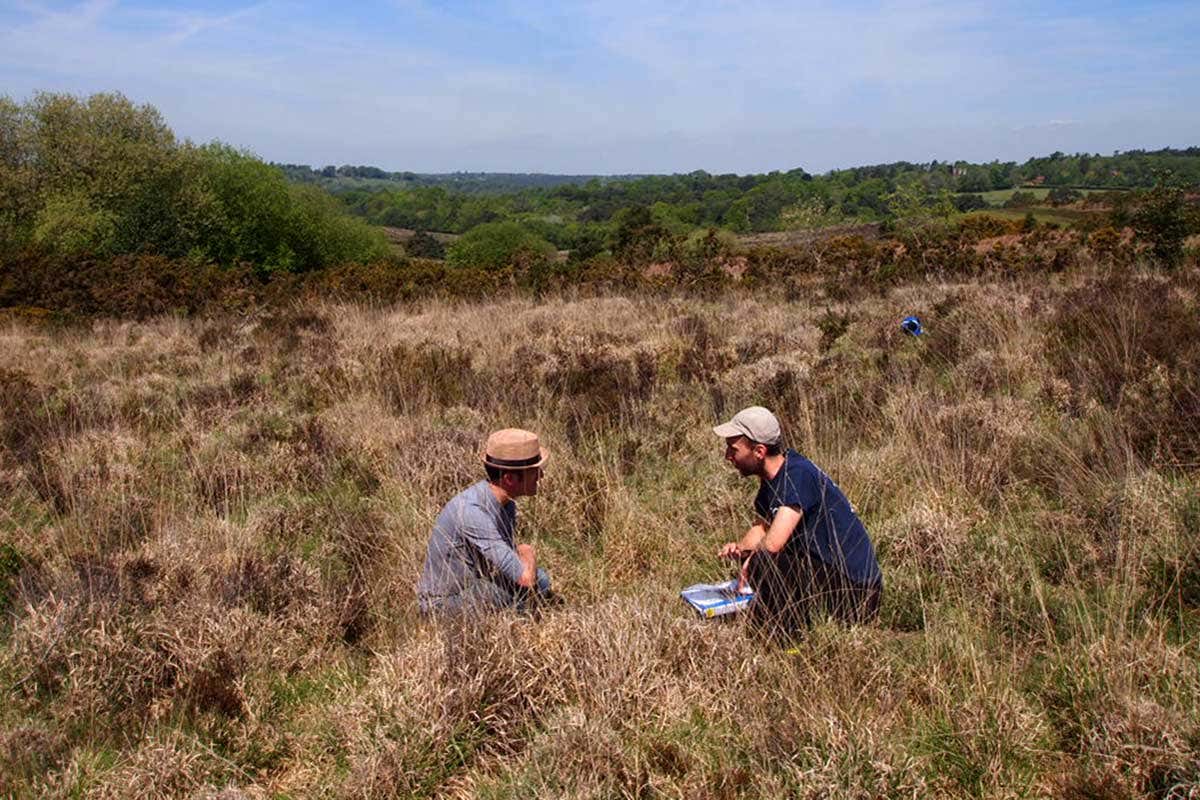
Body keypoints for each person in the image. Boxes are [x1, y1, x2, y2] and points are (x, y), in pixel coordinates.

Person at [714, 406, 882, 635]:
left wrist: (752, 561)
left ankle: (788, 640)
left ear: (759, 451)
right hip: (828, 576)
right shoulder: (771, 481)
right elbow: (761, 528)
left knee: (764, 561)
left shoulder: (797, 475)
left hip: (858, 594)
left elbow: (773, 544)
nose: (728, 456)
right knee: (757, 560)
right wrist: (740, 550)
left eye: (733, 449)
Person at [417, 428, 554, 614]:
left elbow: (507, 565)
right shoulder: (472, 511)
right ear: (510, 479)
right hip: (442, 605)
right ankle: (515, 630)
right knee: (531, 584)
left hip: (471, 586)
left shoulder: (506, 503)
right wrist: (527, 550)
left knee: (541, 580)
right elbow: (524, 578)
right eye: (534, 472)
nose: (541, 476)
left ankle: (515, 623)